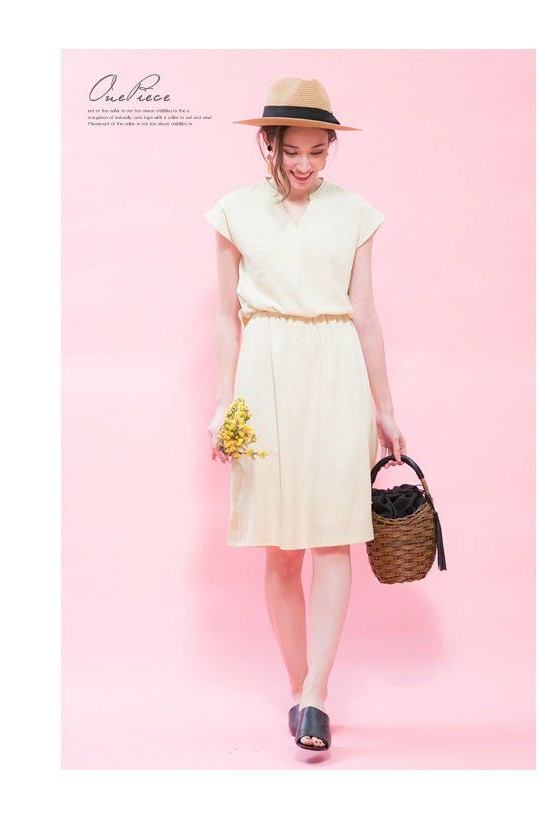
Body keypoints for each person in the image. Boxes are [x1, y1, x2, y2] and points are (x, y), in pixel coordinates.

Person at [205, 77, 406, 752]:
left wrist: (385, 407)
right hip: (263, 373)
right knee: (281, 545)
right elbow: (225, 317)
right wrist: (224, 403)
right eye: (292, 150)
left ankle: (317, 691)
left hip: (335, 368)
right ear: (268, 144)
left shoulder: (355, 214)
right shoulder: (234, 212)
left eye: (318, 151)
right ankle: (300, 691)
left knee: (332, 537)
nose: (305, 164)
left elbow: (367, 316)